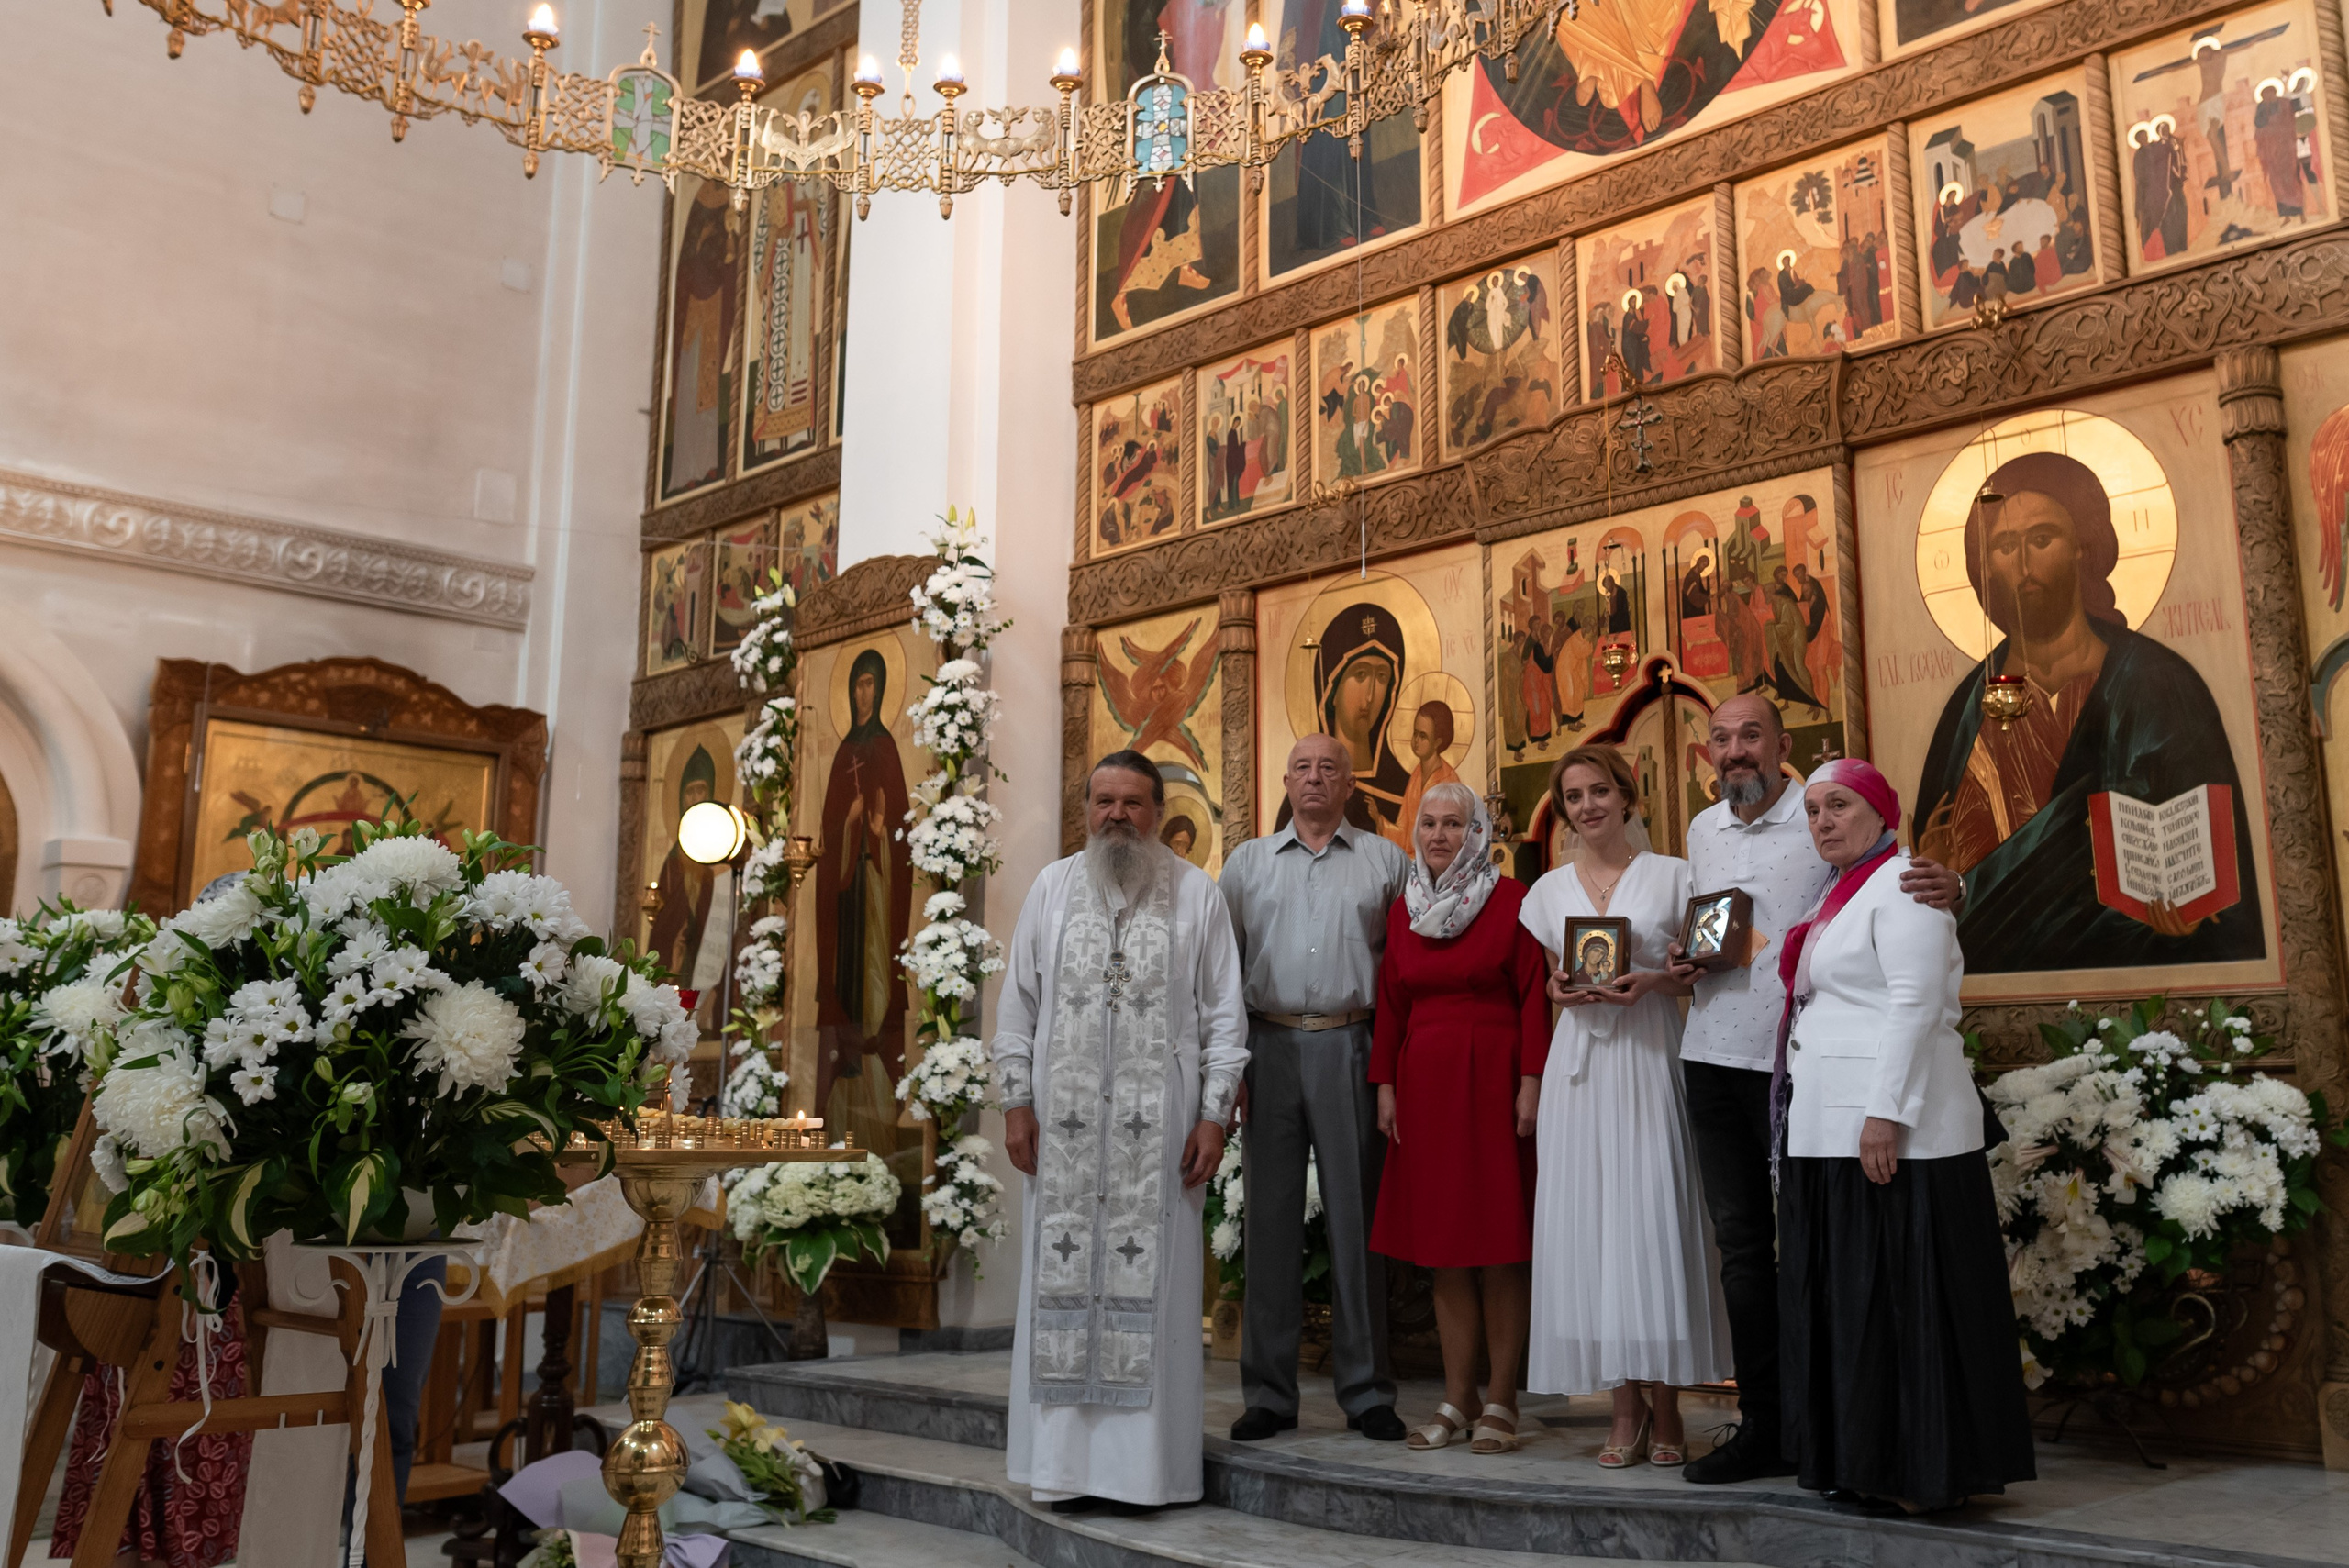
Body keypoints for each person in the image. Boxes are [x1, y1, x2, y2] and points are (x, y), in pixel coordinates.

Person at [1666, 695, 1963, 1485]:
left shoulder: (1824, 811)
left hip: (1796, 1069)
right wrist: (1685, 958)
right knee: (1741, 1252)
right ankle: (1764, 1421)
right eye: (1722, 739)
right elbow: (1720, 927)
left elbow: (1889, 883)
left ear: (1780, 744)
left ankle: (1821, 1422)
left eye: (1750, 736)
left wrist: (1949, 882)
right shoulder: (1702, 830)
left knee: (1809, 1246)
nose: (1735, 752)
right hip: (1708, 1051)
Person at [1776, 759, 2036, 1512]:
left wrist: (1884, 1110)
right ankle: (1868, 1462)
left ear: (1881, 814)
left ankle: (1928, 1471)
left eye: (1841, 806)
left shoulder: (1906, 885)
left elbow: (1917, 1003)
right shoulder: (1835, 893)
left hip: (1895, 1130)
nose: (1824, 820)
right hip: (1830, 1123)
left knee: (1905, 1303)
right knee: (1855, 1305)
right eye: (1815, 809)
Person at [994, 751, 1248, 1512]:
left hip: (1158, 1135)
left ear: (1159, 809)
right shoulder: (1051, 887)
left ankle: (1145, 1476)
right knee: (1059, 1286)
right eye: (1103, 800)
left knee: (1160, 1291)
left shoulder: (1196, 893)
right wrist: (1014, 1098)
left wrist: (1215, 1111)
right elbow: (1017, 1003)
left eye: (1132, 802)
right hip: (1063, 1132)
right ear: (1086, 807)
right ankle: (1061, 1469)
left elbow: (1226, 1014)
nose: (1116, 816)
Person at [1912, 451, 2261, 973]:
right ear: (1985, 566)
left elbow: (2205, 848)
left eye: (2042, 538)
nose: (2024, 564)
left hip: (2138, 969)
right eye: (2005, 546)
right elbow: (1932, 858)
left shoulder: (2155, 679)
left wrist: (2190, 910)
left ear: (2082, 547)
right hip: (1983, 975)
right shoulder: (1967, 707)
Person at [1521, 745, 1731, 1468]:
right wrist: (1557, 990)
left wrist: (1652, 981)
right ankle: (1621, 1407)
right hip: (1579, 1071)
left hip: (1649, 1062)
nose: (1588, 805)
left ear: (1627, 794)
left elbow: (1699, 976)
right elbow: (1552, 979)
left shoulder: (1677, 876)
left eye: (1600, 790)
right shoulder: (1546, 891)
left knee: (1654, 1221)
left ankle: (1668, 1404)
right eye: (1574, 795)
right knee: (1594, 1230)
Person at [1219, 735, 1410, 1444]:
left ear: (1350, 782)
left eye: (1329, 767)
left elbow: (1401, 976)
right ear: (1285, 778)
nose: (1315, 778)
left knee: (1357, 1225)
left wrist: (1391, 1070)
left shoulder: (1386, 862)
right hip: (1266, 1045)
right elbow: (1220, 973)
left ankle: (1366, 1391)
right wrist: (1231, 1067)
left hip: (1350, 1043)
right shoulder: (1245, 865)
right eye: (1302, 767)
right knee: (1267, 1223)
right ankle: (1269, 1391)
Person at [1368, 784, 1549, 1454]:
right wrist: (1384, 1082)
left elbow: (1535, 995)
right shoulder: (1404, 908)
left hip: (1495, 1079)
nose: (1439, 835)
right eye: (1430, 823)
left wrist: (1532, 1080)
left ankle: (1502, 1398)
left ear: (1476, 832)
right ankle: (1458, 1394)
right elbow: (1391, 999)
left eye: (1454, 823)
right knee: (1443, 1250)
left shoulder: (1511, 901)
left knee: (1499, 1244)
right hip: (1425, 1083)